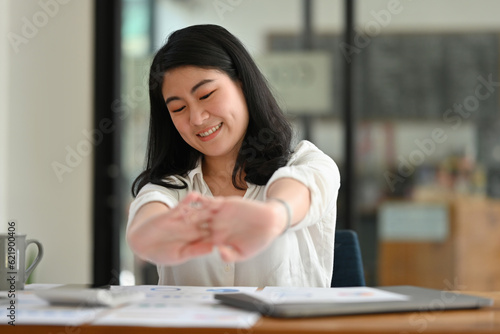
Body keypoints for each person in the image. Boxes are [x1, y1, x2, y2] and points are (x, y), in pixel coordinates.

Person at [127, 24, 340, 288]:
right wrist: (147, 237)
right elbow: (149, 215)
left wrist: (272, 217)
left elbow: (301, 186)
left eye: (206, 95)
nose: (196, 118)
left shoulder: (306, 161)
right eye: (178, 108)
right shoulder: (173, 187)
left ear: (242, 83)